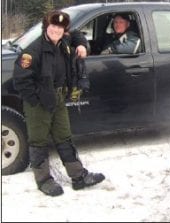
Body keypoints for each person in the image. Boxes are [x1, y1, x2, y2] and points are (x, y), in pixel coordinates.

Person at [13, 10, 105, 197]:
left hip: (59, 99)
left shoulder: (63, 42)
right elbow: (21, 81)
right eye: (53, 26)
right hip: (38, 103)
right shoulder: (32, 52)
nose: (56, 30)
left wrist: (81, 44)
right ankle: (44, 180)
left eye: (60, 27)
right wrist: (36, 101)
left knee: (64, 137)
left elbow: (77, 34)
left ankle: (78, 177)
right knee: (38, 141)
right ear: (46, 27)